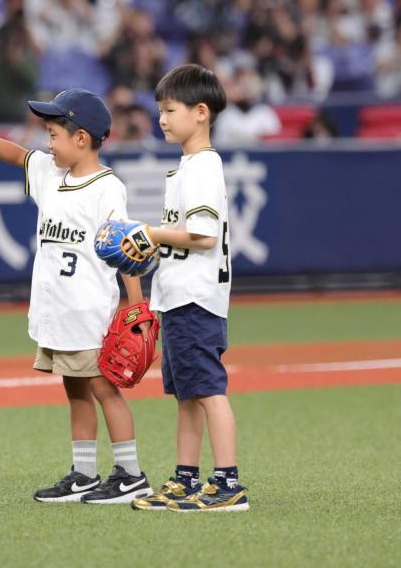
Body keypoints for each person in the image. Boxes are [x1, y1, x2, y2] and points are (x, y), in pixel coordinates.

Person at [0, 89, 152, 504]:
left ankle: (130, 474)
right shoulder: (50, 174)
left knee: (103, 389)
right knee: (74, 389)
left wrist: (135, 307)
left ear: (82, 138)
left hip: (90, 310)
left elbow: (123, 246)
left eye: (55, 133)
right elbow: (17, 155)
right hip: (58, 311)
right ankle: (84, 474)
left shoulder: (106, 188)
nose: (48, 143)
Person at [129, 64, 249, 512]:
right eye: (160, 110)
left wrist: (150, 232)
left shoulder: (202, 166)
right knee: (187, 395)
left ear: (201, 112)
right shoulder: (188, 166)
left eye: (170, 109)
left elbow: (201, 235)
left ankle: (227, 483)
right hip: (181, 294)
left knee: (209, 390)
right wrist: (150, 245)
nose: (162, 118)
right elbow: (186, 236)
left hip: (196, 297)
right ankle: (186, 479)